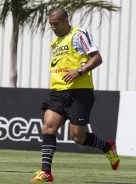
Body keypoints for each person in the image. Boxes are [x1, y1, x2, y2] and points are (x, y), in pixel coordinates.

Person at [31, 8, 120, 182]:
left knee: (78, 137)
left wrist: (79, 71)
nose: (53, 28)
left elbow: (97, 58)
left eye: (55, 24)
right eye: (50, 25)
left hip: (79, 93)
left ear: (65, 20)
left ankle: (107, 147)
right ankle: (45, 172)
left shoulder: (79, 34)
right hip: (58, 92)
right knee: (48, 126)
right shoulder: (56, 42)